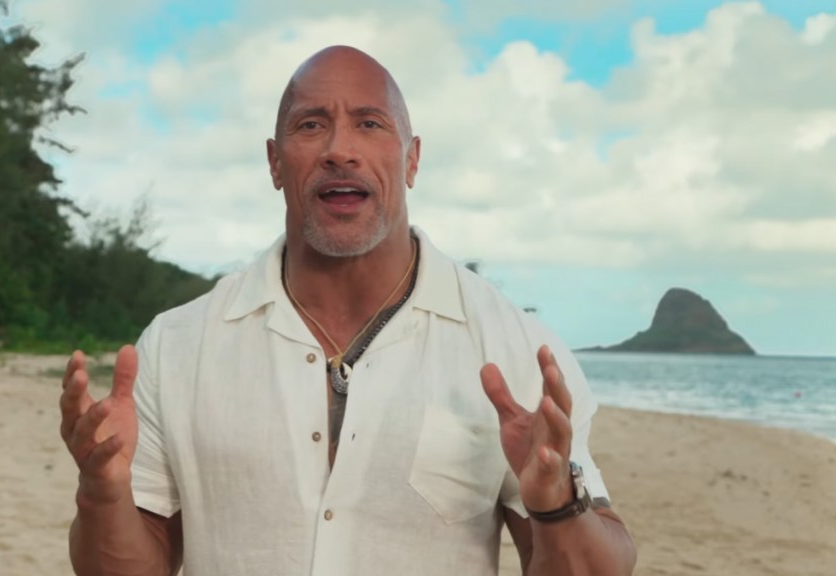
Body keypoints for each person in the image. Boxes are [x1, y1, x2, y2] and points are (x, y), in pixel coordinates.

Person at [59, 45, 637, 575]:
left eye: (370, 123)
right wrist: (102, 495)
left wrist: (558, 503)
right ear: (275, 163)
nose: (340, 149)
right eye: (311, 125)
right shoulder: (179, 345)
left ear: (412, 160)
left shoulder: (514, 348)